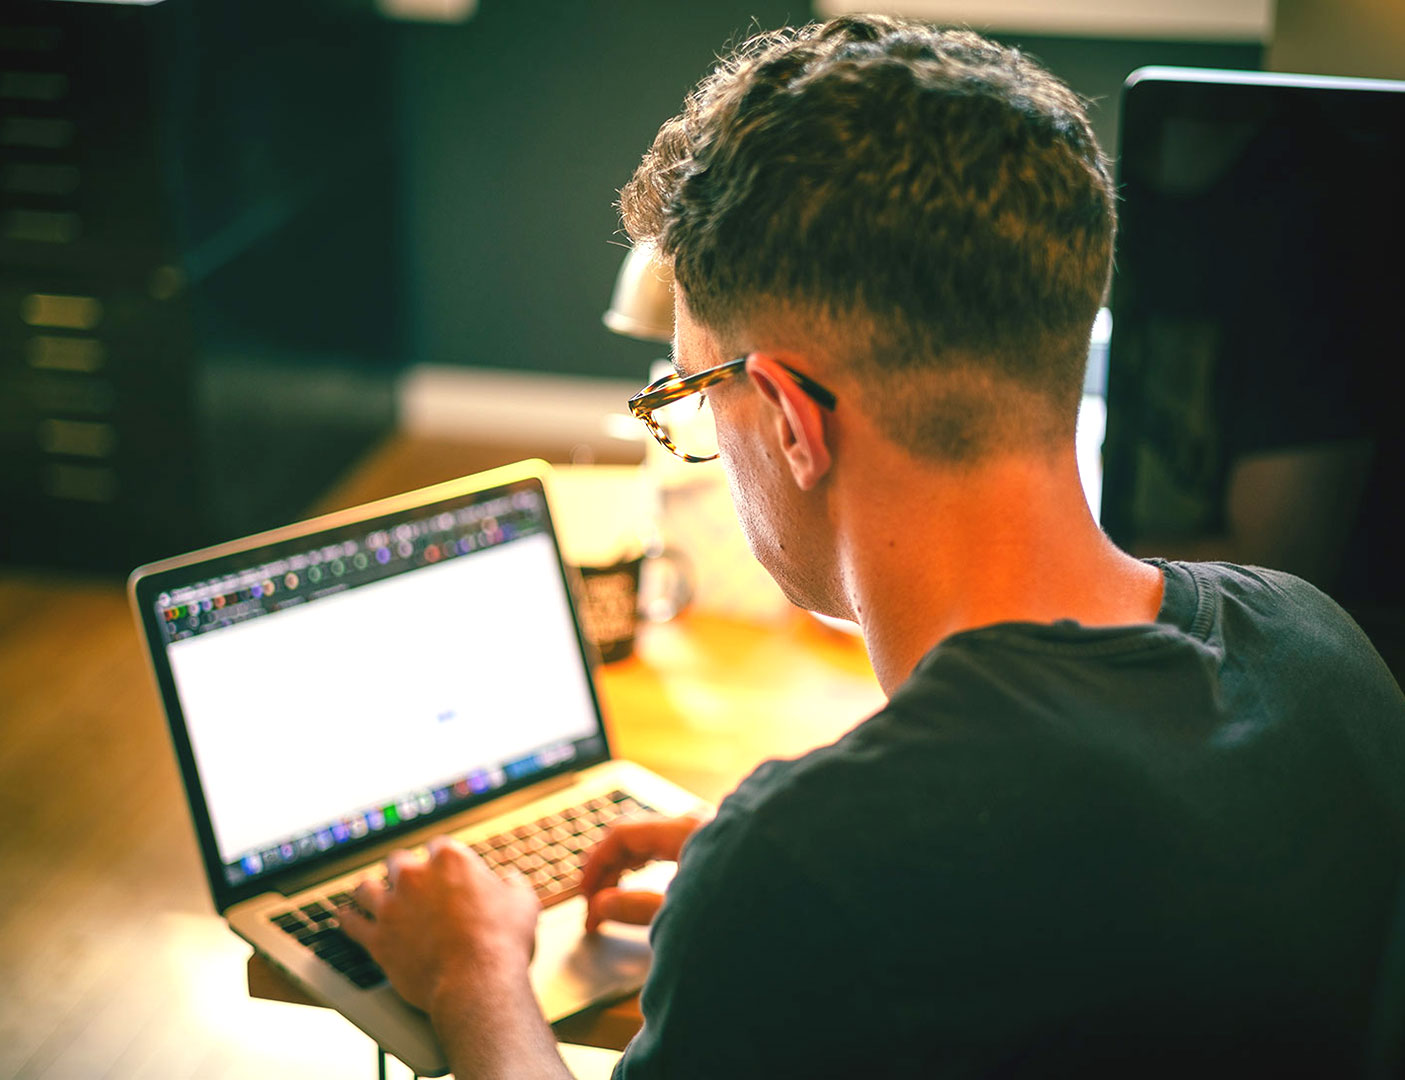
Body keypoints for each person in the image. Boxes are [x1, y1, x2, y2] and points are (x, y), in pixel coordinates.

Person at [340, 15, 1405, 1077]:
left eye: (694, 393)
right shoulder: (1323, 649)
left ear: (794, 422)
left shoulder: (805, 877)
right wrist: (809, 858)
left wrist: (477, 973)